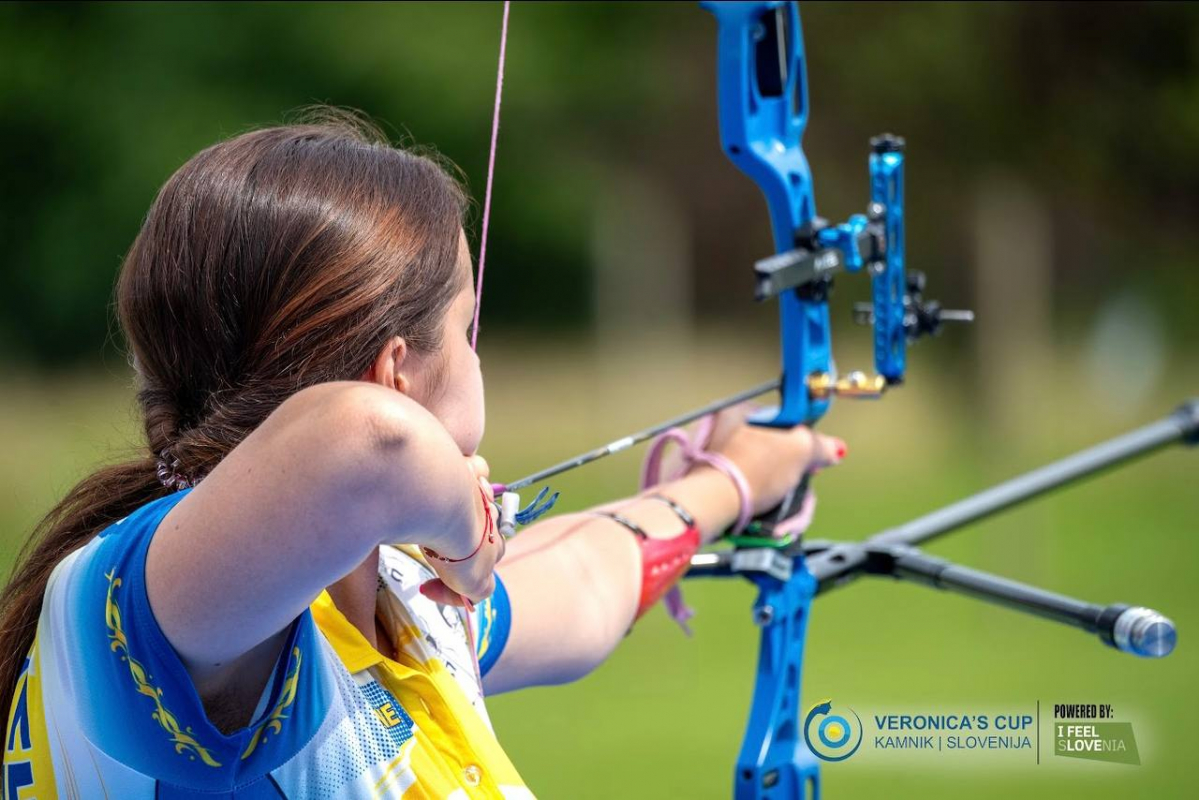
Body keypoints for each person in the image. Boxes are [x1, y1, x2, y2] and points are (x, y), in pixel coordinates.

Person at [0, 111, 844, 798]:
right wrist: (466, 529)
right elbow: (368, 443)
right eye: (465, 326)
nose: (479, 354)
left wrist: (733, 480)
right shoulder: (147, 608)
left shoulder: (404, 601)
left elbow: (586, 581)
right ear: (397, 370)